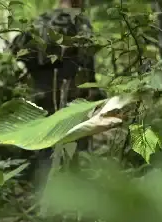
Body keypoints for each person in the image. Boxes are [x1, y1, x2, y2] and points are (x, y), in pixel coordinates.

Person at [11, 0, 98, 188]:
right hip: (71, 92)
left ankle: (41, 192)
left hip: (41, 92)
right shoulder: (79, 20)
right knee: (74, 147)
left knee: (45, 145)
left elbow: (16, 49)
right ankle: (69, 196)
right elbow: (87, 56)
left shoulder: (41, 20)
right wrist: (93, 89)